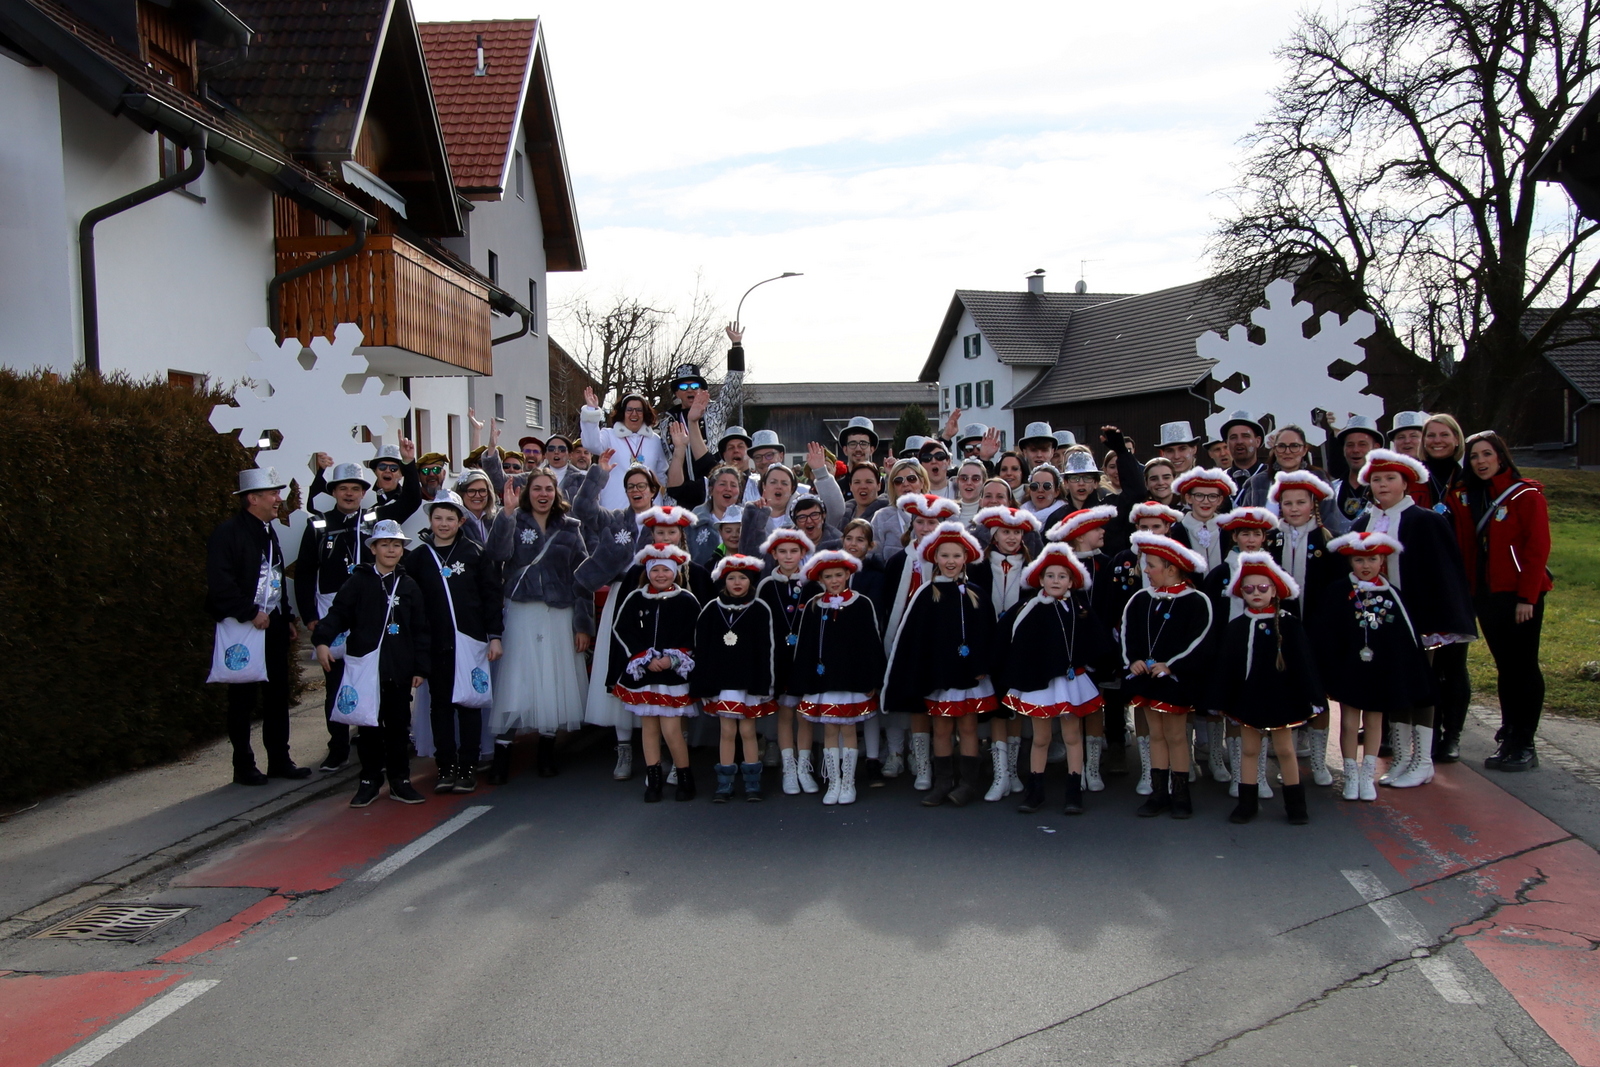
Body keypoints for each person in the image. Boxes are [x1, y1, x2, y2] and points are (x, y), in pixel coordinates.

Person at [1351, 447, 1477, 788]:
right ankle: (1402, 758)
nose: (1382, 485)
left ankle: (1423, 760)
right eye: (1376, 479)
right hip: (1381, 623)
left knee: (1421, 686)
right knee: (1395, 688)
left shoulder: (1426, 521)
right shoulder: (1364, 523)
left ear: (1405, 483)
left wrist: (1437, 620)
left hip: (1419, 620)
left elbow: (1443, 575)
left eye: (1390, 478)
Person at [296, 460, 418, 772]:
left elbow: (411, 500)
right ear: (334, 492)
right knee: (336, 684)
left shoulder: (376, 519)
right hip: (333, 612)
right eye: (343, 488)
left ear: (364, 492)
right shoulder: (318, 525)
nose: (349, 494)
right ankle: (337, 748)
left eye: (355, 488)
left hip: (373, 614)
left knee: (380, 681)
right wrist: (310, 617)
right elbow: (305, 573)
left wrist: (409, 464)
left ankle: (383, 744)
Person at [486, 469, 601, 783]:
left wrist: (583, 625)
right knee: (516, 682)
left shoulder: (570, 528)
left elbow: (582, 580)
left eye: (548, 489)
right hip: (521, 611)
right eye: (537, 489)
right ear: (528, 492)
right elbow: (496, 554)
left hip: (559, 614)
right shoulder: (514, 520)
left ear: (556, 493)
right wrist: (506, 515)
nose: (543, 494)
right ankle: (502, 756)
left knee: (553, 681)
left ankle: (546, 753)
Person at [1448, 431, 1552, 771]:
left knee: (1524, 666)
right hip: (1486, 594)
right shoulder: (1469, 495)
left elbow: (1537, 549)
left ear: (1501, 456)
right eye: (1474, 456)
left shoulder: (1526, 495)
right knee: (1505, 667)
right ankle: (1509, 734)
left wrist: (1527, 597)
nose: (1480, 461)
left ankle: (1525, 741)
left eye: (1486, 454)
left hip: (1520, 595)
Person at [313, 519, 429, 807]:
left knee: (398, 727)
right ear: (373, 548)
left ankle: (400, 780)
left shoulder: (409, 585)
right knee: (368, 727)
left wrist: (420, 667)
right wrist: (322, 640)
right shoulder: (358, 581)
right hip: (366, 667)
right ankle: (369, 779)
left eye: (396, 545)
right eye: (385, 544)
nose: (391, 550)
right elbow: (338, 613)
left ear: (402, 550)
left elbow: (420, 629)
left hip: (399, 670)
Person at [993, 543, 1116, 814]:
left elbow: (1096, 641)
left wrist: (1095, 665)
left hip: (1071, 683)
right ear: (1040, 579)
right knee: (1041, 738)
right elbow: (1010, 641)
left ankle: (1074, 791)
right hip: (1040, 683)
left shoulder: (1080, 608)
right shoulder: (1028, 607)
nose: (1055, 581)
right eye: (1050, 576)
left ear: (1072, 581)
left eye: (1062, 576)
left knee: (1072, 736)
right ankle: (1035, 791)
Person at [1313, 532, 1435, 801]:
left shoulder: (1392, 594)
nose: (1365, 566)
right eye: (1359, 560)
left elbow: (1404, 638)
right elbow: (1327, 633)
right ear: (1350, 561)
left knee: (1374, 720)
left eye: (1372, 559)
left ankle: (1367, 776)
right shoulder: (1337, 592)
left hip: (1380, 671)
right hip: (1349, 669)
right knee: (1348, 722)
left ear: (1382, 561)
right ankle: (1351, 775)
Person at [882, 522, 997, 807]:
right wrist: (925, 673)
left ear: (966, 558)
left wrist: (982, 664)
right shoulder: (925, 595)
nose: (951, 561)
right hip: (939, 676)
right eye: (945, 556)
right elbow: (916, 640)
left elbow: (987, 634)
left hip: (970, 676)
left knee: (968, 728)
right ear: (935, 558)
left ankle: (968, 783)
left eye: (956, 555)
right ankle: (943, 782)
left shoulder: (977, 594)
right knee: (942, 730)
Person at [207, 467, 309, 785]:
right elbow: (220, 582)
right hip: (243, 627)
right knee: (243, 698)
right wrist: (250, 612)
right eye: (273, 494)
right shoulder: (227, 533)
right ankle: (243, 765)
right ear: (253, 498)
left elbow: (275, 577)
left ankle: (279, 759)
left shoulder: (268, 531)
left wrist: (286, 616)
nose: (279, 499)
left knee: (277, 695)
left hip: (272, 625)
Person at [1207, 552, 1321, 824]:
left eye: (1262, 587)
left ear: (1274, 590)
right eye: (1248, 589)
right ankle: (1247, 804)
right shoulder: (1237, 627)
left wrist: (1313, 696)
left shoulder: (1289, 624)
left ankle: (1296, 806)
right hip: (1247, 698)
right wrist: (1220, 699)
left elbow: (1304, 663)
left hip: (1283, 698)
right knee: (1249, 750)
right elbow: (1227, 667)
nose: (1255, 593)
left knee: (1285, 750)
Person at [409, 492, 503, 793]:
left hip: (471, 642)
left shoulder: (475, 553)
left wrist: (494, 636)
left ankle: (468, 766)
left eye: (450, 518)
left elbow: (491, 597)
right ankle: (445, 767)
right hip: (434, 643)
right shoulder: (418, 557)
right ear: (430, 520)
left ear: (461, 521)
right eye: (438, 518)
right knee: (440, 706)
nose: (443, 524)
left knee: (469, 704)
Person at [1122, 532, 1214, 819]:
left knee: (1176, 735)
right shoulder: (1140, 599)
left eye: (1151, 566)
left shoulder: (1196, 601)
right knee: (1155, 734)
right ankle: (1159, 793)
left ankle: (1181, 794)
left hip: (1176, 682)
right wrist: (1133, 660)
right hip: (1148, 680)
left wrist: (1171, 665)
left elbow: (1200, 641)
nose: (1146, 571)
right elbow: (1128, 634)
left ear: (1171, 568)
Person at [1268, 470, 1346, 787]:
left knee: (1318, 692)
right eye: (1288, 503)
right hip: (1281, 628)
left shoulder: (1328, 541)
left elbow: (1336, 591)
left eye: (1301, 502)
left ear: (1313, 504)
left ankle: (1318, 759)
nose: (1294, 509)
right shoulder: (1271, 539)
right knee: (1284, 689)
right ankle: (1285, 754)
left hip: (1317, 630)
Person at [790, 550, 887, 805]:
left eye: (838, 575)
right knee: (830, 729)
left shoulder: (862, 603)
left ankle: (848, 782)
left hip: (852, 680)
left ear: (847, 575)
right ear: (820, 579)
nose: (834, 581)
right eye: (828, 576)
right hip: (824, 680)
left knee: (849, 728)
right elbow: (806, 647)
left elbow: (872, 643)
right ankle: (833, 782)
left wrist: (872, 679)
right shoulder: (814, 606)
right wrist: (804, 681)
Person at [608, 544, 701, 802]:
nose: (661, 575)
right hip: (645, 674)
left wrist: (673, 658)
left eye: (666, 570)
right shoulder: (636, 599)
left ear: (675, 572)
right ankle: (654, 780)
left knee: (671, 730)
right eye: (656, 570)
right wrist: (643, 656)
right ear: (647, 572)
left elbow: (695, 633)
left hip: (672, 675)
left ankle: (685, 777)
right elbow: (622, 629)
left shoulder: (686, 600)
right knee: (648, 729)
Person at [969, 505, 1044, 800]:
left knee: (1015, 708)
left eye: (1016, 532)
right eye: (1005, 532)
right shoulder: (977, 567)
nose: (1011, 538)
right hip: (989, 647)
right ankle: (1000, 774)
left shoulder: (1033, 569)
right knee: (997, 710)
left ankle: (1012, 772)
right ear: (994, 535)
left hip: (1020, 648)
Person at [690, 555, 775, 802]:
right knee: (727, 731)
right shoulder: (711, 609)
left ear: (751, 581)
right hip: (722, 683)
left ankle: (752, 783)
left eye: (743, 578)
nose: (737, 583)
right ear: (723, 581)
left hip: (749, 682)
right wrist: (704, 685)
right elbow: (702, 649)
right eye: (731, 578)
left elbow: (766, 649)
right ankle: (724, 782)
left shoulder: (760, 609)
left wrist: (765, 684)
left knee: (748, 731)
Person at [756, 528, 821, 792]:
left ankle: (804, 767)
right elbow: (761, 627)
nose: (788, 556)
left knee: (804, 715)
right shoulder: (766, 586)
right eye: (782, 551)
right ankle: (789, 768)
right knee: (785, 714)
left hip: (805, 659)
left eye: (794, 551)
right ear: (773, 554)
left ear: (803, 552)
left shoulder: (813, 585)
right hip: (779, 659)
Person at [579, 387, 667, 510]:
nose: (634, 414)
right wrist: (591, 411)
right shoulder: (609, 435)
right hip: (615, 508)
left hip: (649, 509)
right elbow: (590, 444)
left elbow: (663, 475)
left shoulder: (654, 440)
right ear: (622, 413)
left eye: (639, 410)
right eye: (629, 410)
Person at [1173, 467, 1234, 571]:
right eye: (1199, 495)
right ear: (1188, 498)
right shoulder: (1176, 532)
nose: (1206, 501)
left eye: (1212, 496)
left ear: (1219, 500)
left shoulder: (1228, 532)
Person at [870, 459, 931, 561]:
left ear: (922, 482)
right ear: (893, 487)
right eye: (898, 481)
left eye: (911, 479)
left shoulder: (937, 513)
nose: (905, 484)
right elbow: (874, 557)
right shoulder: (881, 517)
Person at [1218, 411, 1266, 493]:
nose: (1239, 441)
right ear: (1227, 443)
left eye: (1245, 436)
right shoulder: (1219, 481)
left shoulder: (1273, 478)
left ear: (1257, 441)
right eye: (1233, 437)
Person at [836, 416, 881, 493]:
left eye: (863, 444)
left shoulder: (882, 485)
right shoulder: (837, 488)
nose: (858, 449)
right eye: (853, 443)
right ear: (845, 450)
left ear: (872, 449)